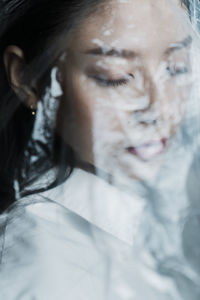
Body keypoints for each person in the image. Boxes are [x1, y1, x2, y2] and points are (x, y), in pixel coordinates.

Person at [0, 0, 199, 299]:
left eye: (176, 68)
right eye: (116, 76)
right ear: (28, 80)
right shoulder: (41, 269)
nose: (161, 107)